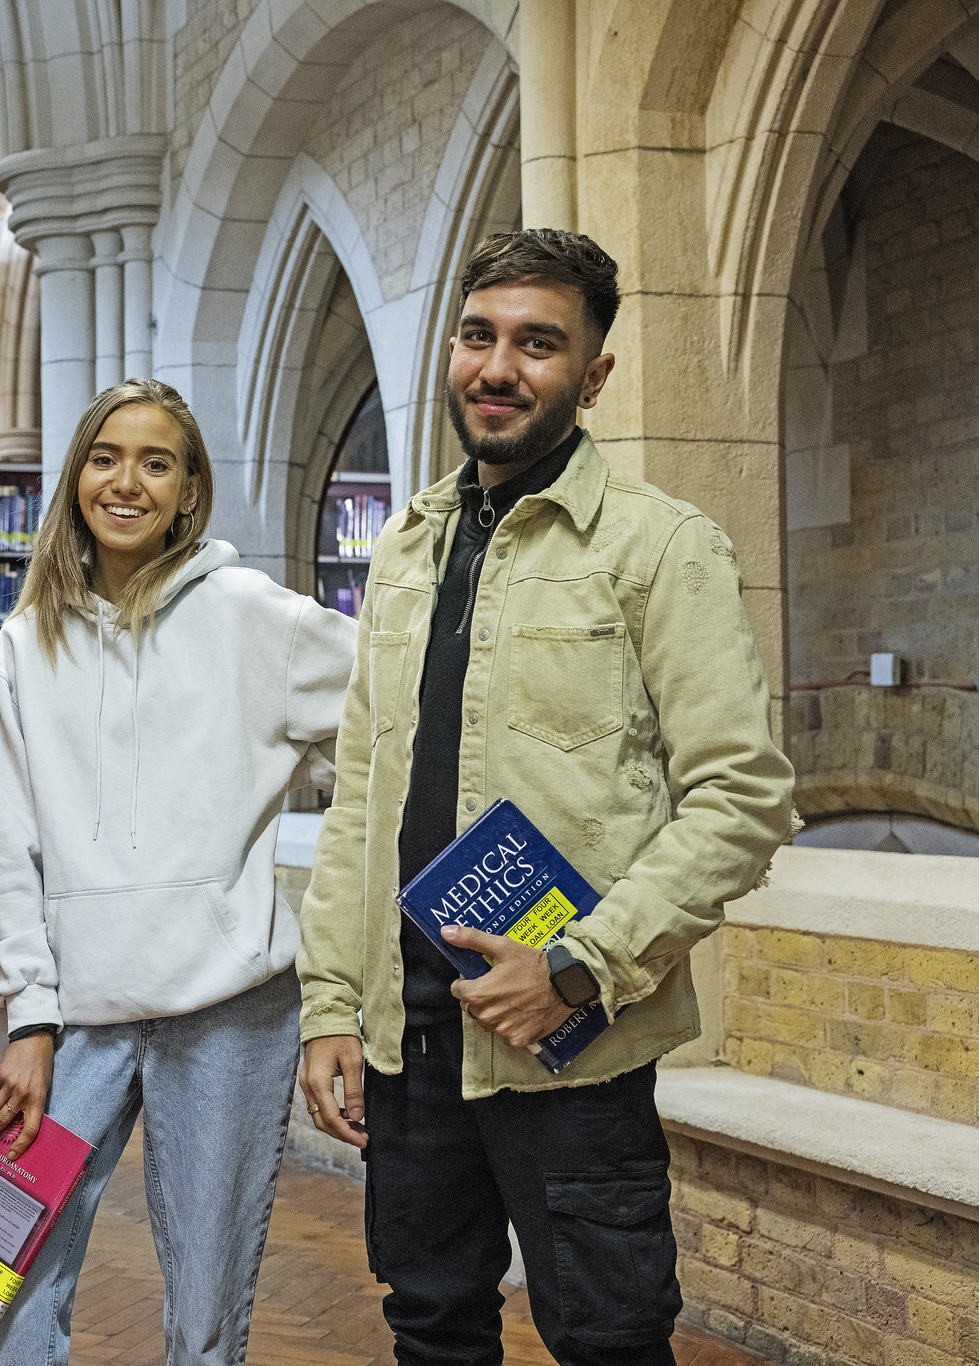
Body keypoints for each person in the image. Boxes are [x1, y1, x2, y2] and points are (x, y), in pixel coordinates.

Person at [295, 229, 796, 1366]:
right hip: (409, 1045)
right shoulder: (407, 549)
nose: (497, 367)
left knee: (609, 1340)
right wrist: (331, 1000)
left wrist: (574, 965)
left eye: (536, 343)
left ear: (592, 373)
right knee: (430, 1327)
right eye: (478, 336)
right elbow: (360, 792)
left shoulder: (659, 549)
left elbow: (743, 798)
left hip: (568, 1047)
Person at [0, 379, 358, 1365]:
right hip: (71, 1022)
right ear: (76, 477)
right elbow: (9, 849)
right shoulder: (24, 644)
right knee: (5, 1281)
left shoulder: (247, 616)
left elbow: (389, 713)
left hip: (227, 1009)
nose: (125, 481)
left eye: (155, 462)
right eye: (105, 457)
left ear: (189, 491)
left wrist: (304, 776)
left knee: (203, 1311)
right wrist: (26, 1016)